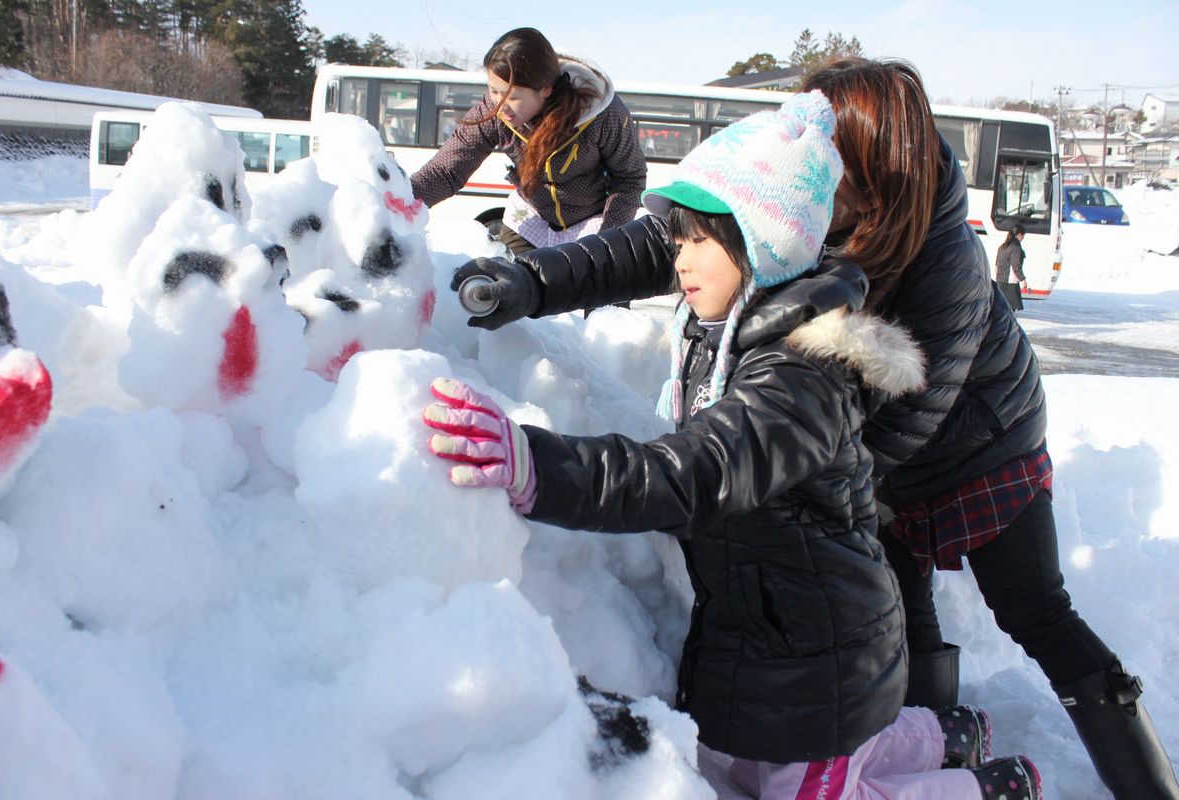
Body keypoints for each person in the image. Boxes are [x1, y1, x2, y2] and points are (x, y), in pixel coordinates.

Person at [440, 58, 1179, 800]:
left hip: (977, 452)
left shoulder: (943, 256)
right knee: (896, 622)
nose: (809, 155)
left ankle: (1139, 775)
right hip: (838, 446)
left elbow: (897, 422)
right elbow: (664, 239)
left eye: (831, 152)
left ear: (875, 169)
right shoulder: (788, 199)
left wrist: (770, 479)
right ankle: (937, 740)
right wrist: (534, 281)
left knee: (1031, 609)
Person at [410, 27, 647, 257]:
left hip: (592, 223)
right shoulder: (495, 110)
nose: (501, 106)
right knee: (509, 287)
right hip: (530, 218)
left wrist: (607, 244)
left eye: (513, 97)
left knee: (593, 293)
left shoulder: (602, 114)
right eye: (493, 91)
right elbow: (447, 169)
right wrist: (399, 201)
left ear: (544, 89)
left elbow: (630, 178)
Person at [994, 225, 1027, 311]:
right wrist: (1022, 280)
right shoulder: (1015, 248)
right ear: (1020, 235)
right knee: (1008, 310)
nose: (1023, 238)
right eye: (1023, 236)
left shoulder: (1002, 247)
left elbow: (996, 264)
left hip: (1000, 280)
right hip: (1010, 283)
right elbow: (1015, 265)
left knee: (1000, 308)